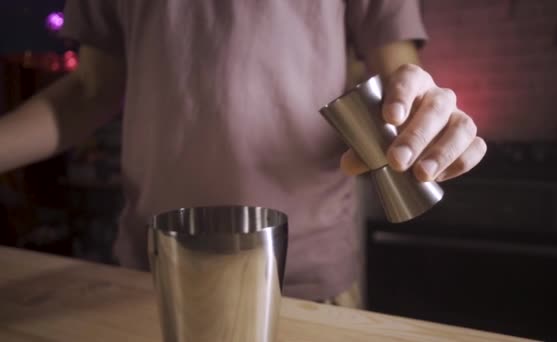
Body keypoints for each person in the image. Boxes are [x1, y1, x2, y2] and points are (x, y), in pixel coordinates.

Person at [0, 0, 486, 307]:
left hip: (305, 282)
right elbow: (91, 90)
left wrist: (425, 114)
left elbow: (399, 81)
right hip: (153, 273)